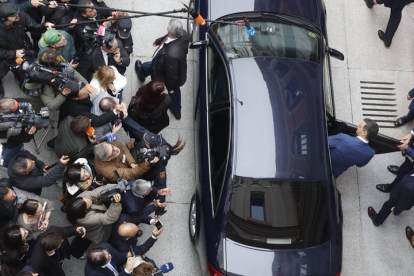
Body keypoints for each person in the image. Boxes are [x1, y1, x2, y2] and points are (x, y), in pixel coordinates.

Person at [135, 19, 190, 120]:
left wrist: (170, 87)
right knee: (176, 93)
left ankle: (141, 74)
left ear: (168, 30)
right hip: (174, 70)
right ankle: (176, 111)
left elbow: (171, 75)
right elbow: (168, 37)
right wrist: (159, 41)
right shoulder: (184, 34)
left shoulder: (171, 56)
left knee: (148, 68)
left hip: (161, 71)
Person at [0, 3, 53, 97]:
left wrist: (45, 25)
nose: (18, 15)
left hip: (23, 49)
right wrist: (13, 53)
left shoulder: (20, 15)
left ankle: (20, 79)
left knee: (24, 70)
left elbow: (33, 26)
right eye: (14, 15)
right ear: (4, 19)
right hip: (4, 54)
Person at [129, 132, 185, 216]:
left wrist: (159, 211)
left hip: (142, 174)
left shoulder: (159, 165)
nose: (145, 142)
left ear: (154, 148)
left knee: (144, 189)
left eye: (146, 143)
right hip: (134, 158)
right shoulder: (153, 139)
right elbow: (136, 128)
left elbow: (161, 185)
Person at [21, 50, 91, 112]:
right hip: (35, 101)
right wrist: (63, 95)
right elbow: (51, 105)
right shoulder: (45, 82)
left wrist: (86, 84)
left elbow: (72, 71)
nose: (61, 63)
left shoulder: (44, 63)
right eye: (59, 62)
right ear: (50, 67)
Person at [65, 185, 122, 258]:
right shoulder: (86, 219)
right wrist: (116, 204)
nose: (89, 200)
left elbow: (97, 191)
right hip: (92, 232)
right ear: (84, 210)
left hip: (89, 227)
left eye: (86, 199)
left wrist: (115, 186)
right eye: (88, 203)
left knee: (81, 239)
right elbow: (108, 218)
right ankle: (76, 253)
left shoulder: (81, 200)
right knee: (83, 241)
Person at [0, 98, 37, 167]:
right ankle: (6, 164)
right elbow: (25, 139)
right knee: (9, 154)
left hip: (5, 141)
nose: (19, 103)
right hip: (12, 145)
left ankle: (3, 154)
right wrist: (29, 133)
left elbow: (23, 101)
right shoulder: (6, 126)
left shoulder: (4, 104)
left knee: (4, 150)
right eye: (17, 106)